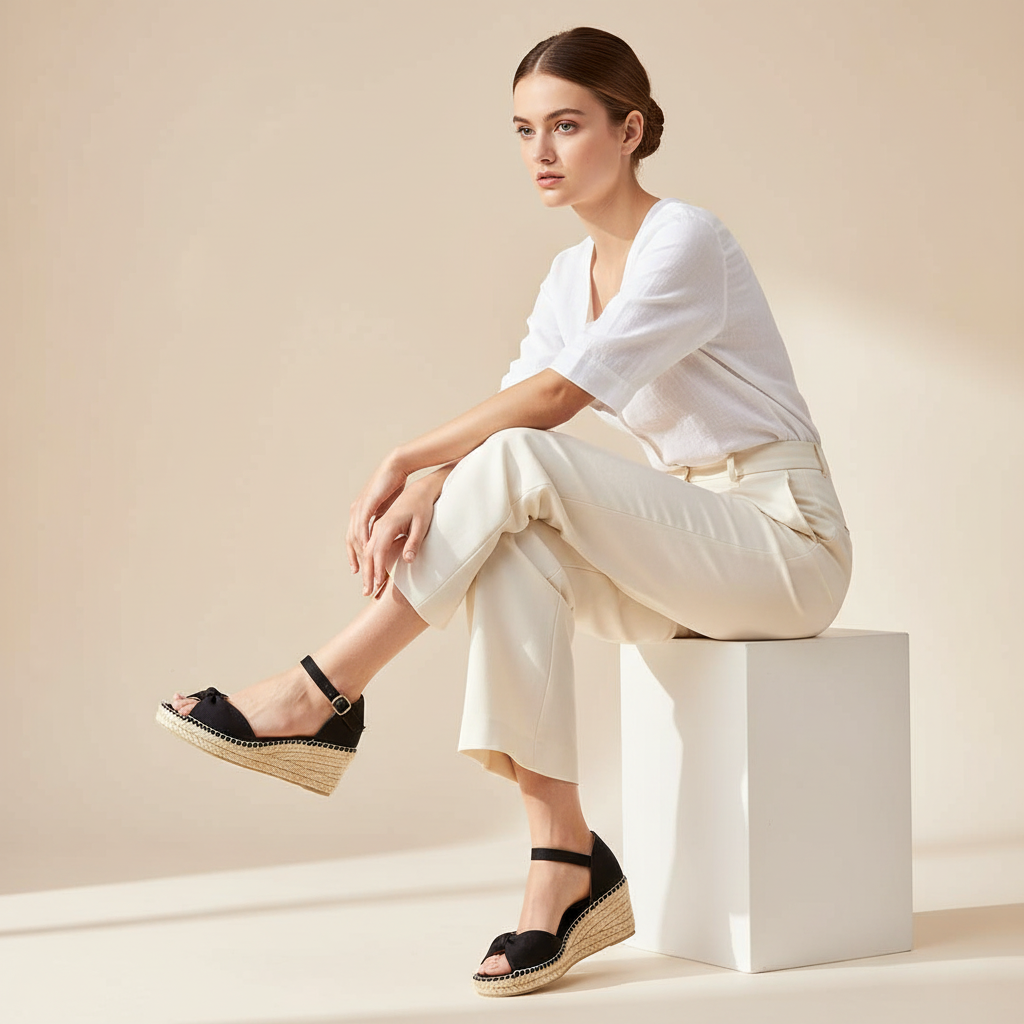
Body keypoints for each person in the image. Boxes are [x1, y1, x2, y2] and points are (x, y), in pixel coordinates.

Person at [157, 26, 853, 997]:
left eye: (566, 125)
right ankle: (562, 861)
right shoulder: (569, 278)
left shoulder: (686, 240)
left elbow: (554, 402)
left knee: (526, 462)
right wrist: (436, 481)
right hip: (690, 556)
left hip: (782, 543)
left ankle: (323, 690)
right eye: (524, 129)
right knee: (508, 541)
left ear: (630, 128)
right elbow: (508, 413)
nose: (540, 151)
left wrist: (409, 454)